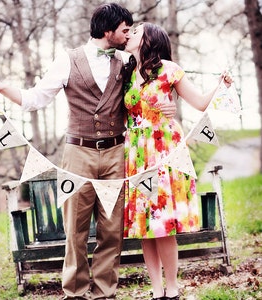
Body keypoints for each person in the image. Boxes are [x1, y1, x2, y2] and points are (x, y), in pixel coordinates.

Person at [0, 4, 177, 299]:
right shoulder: (67, 60)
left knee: (112, 231)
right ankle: (74, 292)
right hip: (77, 152)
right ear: (107, 30)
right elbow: (35, 99)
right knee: (75, 228)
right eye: (124, 29)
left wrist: (169, 106)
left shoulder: (128, 60)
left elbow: (156, 84)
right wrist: (3, 88)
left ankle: (104, 292)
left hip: (116, 152)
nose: (128, 34)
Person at [122, 22, 233, 300]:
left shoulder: (168, 69)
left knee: (162, 222)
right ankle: (157, 291)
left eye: (135, 31)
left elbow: (200, 102)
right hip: (136, 153)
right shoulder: (125, 73)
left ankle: (172, 290)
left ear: (149, 39)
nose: (129, 34)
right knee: (145, 227)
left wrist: (220, 85)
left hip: (164, 149)